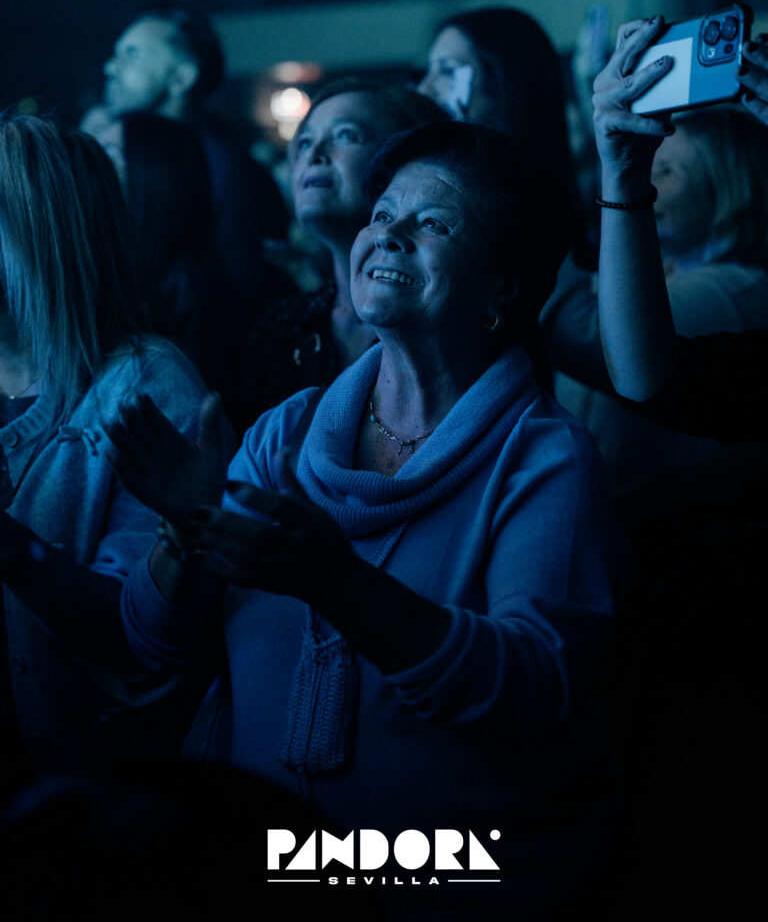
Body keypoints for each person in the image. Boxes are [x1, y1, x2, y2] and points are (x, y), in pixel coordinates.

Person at [105, 120, 629, 920]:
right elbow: (153, 646)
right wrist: (188, 531)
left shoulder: (544, 457)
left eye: (434, 222)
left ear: (503, 289)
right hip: (273, 873)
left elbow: (531, 686)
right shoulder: (285, 432)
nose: (388, 234)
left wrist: (337, 582)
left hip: (456, 884)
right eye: (383, 214)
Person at [588, 15, 768, 919]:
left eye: (671, 170)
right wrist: (619, 177)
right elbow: (646, 375)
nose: (659, 177)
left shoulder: (729, 291)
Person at [0, 113, 227, 799]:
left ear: (36, 235)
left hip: (86, 805)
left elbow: (143, 638)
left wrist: (13, 549)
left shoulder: (145, 386)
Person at [541, 97, 768, 498]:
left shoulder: (737, 288)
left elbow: (595, 342)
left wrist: (530, 237)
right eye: (650, 165)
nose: (648, 179)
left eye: (667, 170)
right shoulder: (668, 266)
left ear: (730, 186)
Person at [239, 78, 447, 435]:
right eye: (304, 142)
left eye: (346, 135)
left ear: (405, 161)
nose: (314, 154)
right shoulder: (280, 324)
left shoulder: (445, 322)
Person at [82, 0, 291, 313]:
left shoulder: (228, 173)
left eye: (133, 54)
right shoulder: (113, 148)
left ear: (182, 78)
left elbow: (247, 289)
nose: (110, 67)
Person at [417, 5, 590, 274]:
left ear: (503, 85)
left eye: (447, 70)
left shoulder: (535, 207)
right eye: (430, 70)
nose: (424, 88)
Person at [108, 109, 251, 421]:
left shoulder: (189, 288)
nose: (93, 167)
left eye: (109, 153)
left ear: (152, 174)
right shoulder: (130, 272)